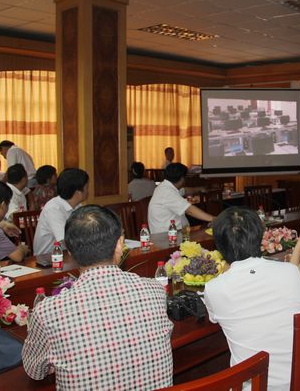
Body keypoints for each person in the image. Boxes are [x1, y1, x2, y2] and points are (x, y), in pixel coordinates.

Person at [22, 205, 173, 390]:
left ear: (69, 250)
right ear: (120, 244)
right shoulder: (155, 290)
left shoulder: (49, 311)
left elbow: (34, 371)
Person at [204, 207, 300, 391]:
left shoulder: (214, 288)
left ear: (219, 246)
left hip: (256, 386)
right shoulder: (290, 272)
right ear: (260, 237)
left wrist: (226, 271)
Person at [33, 168, 89, 255]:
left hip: (67, 255)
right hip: (48, 259)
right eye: (86, 187)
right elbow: (65, 240)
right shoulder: (54, 208)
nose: (88, 190)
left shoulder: (77, 206)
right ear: (78, 192)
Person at [147, 162, 214, 234]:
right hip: (168, 237)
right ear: (182, 179)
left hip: (176, 232)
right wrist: (215, 219)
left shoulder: (166, 186)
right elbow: (189, 210)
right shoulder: (167, 192)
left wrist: (199, 188)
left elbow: (184, 190)